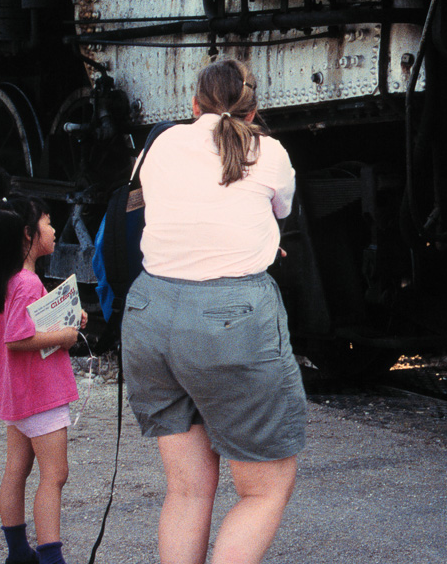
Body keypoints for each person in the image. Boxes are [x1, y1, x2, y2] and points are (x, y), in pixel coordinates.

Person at [122, 58, 304, 564]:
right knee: (263, 489)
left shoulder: (161, 143)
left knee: (186, 490)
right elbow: (278, 210)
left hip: (151, 313)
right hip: (231, 320)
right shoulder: (268, 151)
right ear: (254, 108)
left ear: (194, 104)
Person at [0, 196, 88, 564]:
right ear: (28, 234)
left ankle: (17, 552)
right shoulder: (27, 283)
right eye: (48, 223)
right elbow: (18, 337)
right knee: (55, 475)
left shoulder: (12, 280)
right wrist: (65, 336)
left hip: (18, 395)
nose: (55, 229)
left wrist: (71, 318)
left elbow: (27, 323)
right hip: (40, 393)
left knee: (17, 470)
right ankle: (51, 557)